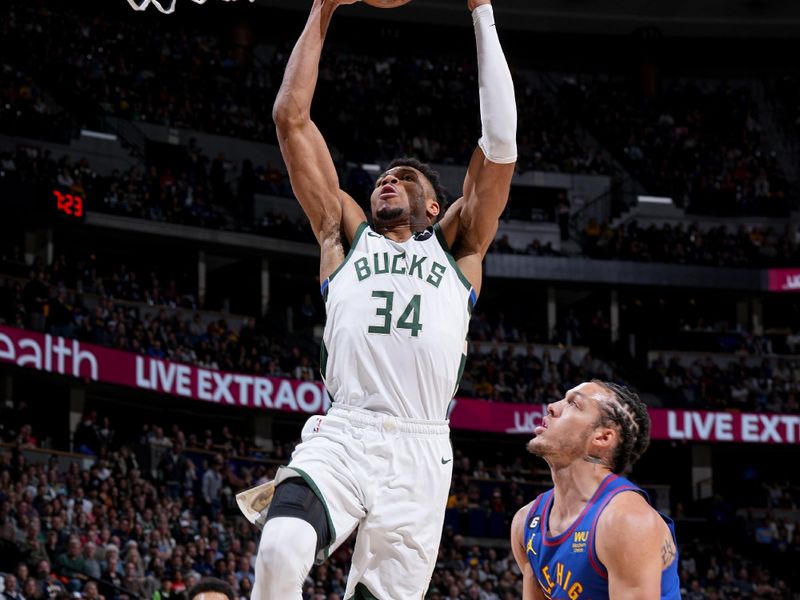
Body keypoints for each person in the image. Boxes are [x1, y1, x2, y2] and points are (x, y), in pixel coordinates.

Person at [236, 0, 517, 597]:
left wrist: (482, 11)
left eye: (405, 177)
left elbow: (500, 144)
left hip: (422, 453)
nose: (387, 179)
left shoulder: (460, 248)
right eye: (382, 176)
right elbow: (291, 119)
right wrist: (323, 7)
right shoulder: (344, 235)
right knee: (282, 547)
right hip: (345, 431)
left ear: (436, 207)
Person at [510, 381, 681, 599]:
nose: (552, 406)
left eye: (573, 404)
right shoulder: (525, 522)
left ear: (602, 437)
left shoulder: (626, 521)